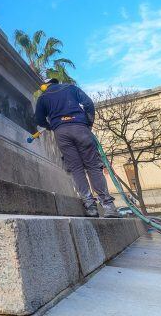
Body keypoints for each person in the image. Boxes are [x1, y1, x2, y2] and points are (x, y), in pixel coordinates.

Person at [34, 78, 120, 218]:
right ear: (56, 82)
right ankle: (109, 207)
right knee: (93, 166)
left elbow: (38, 119)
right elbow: (88, 104)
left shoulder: (43, 98)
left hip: (61, 133)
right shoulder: (71, 88)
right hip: (80, 128)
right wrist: (88, 122)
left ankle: (90, 207)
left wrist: (52, 126)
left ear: (45, 86)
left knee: (76, 169)